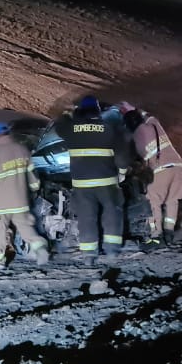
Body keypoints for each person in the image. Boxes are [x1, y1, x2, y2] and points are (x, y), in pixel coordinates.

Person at [55, 95, 131, 264]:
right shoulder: (109, 128)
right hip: (107, 182)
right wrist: (123, 172)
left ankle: (89, 255)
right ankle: (112, 251)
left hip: (82, 185)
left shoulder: (71, 129)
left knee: (86, 217)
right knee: (112, 213)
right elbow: (122, 157)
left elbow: (59, 126)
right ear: (98, 111)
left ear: (80, 111)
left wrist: (68, 112)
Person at [0, 121, 50, 270]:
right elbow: (33, 176)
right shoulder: (22, 149)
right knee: (25, 227)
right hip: (21, 200)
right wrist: (34, 188)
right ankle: (40, 248)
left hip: (0, 202)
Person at [125, 107, 182, 247]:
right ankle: (169, 233)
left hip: (160, 169)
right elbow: (148, 114)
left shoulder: (136, 138)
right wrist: (134, 108)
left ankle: (156, 237)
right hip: (178, 166)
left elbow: (139, 161)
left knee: (153, 203)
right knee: (172, 200)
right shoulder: (154, 124)